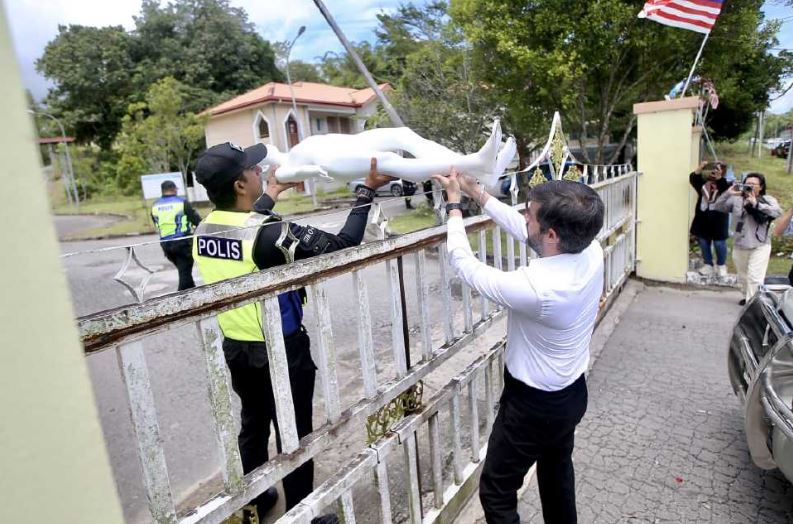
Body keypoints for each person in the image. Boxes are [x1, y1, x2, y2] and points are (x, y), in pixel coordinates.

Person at [192, 142, 392, 523]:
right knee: (295, 435)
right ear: (239, 184)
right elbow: (341, 246)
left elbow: (247, 227)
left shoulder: (207, 227)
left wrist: (270, 192)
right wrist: (366, 192)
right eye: (252, 170)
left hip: (237, 348)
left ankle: (253, 504)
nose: (259, 172)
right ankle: (303, 514)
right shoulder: (268, 234)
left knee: (252, 426)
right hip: (281, 350)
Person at [433, 170, 605, 524]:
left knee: (497, 491)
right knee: (557, 475)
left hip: (533, 406)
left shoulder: (538, 289)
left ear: (553, 234)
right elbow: (529, 232)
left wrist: (453, 207)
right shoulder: (590, 249)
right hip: (571, 394)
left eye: (530, 212)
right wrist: (477, 193)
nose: (524, 216)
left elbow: (466, 266)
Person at [264, 118, 517, 186]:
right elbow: (288, 176)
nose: (269, 148)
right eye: (263, 153)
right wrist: (309, 170)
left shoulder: (289, 150)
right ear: (266, 167)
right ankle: (476, 162)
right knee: (389, 160)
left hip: (350, 142)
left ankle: (482, 172)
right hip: (332, 161)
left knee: (402, 134)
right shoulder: (283, 166)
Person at [713, 173, 782, 305]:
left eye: (753, 184)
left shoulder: (767, 199)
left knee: (755, 278)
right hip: (740, 244)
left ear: (760, 187)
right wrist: (728, 193)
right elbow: (718, 206)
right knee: (743, 277)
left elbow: (777, 212)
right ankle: (748, 296)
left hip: (760, 245)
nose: (749, 186)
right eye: (747, 183)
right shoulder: (737, 199)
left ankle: (752, 305)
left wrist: (756, 204)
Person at [150, 180, 201, 290]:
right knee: (185, 273)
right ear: (174, 189)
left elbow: (155, 222)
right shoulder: (181, 202)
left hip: (165, 244)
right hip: (182, 243)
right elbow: (196, 219)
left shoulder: (155, 205)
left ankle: (193, 293)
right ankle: (182, 299)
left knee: (184, 271)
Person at [689, 161, 730, 277]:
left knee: (719, 243)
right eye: (712, 169)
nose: (714, 172)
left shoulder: (726, 184)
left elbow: (725, 190)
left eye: (717, 170)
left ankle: (721, 265)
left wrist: (719, 178)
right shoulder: (703, 184)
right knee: (703, 241)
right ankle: (708, 265)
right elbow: (693, 179)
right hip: (703, 218)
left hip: (719, 219)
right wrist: (701, 167)